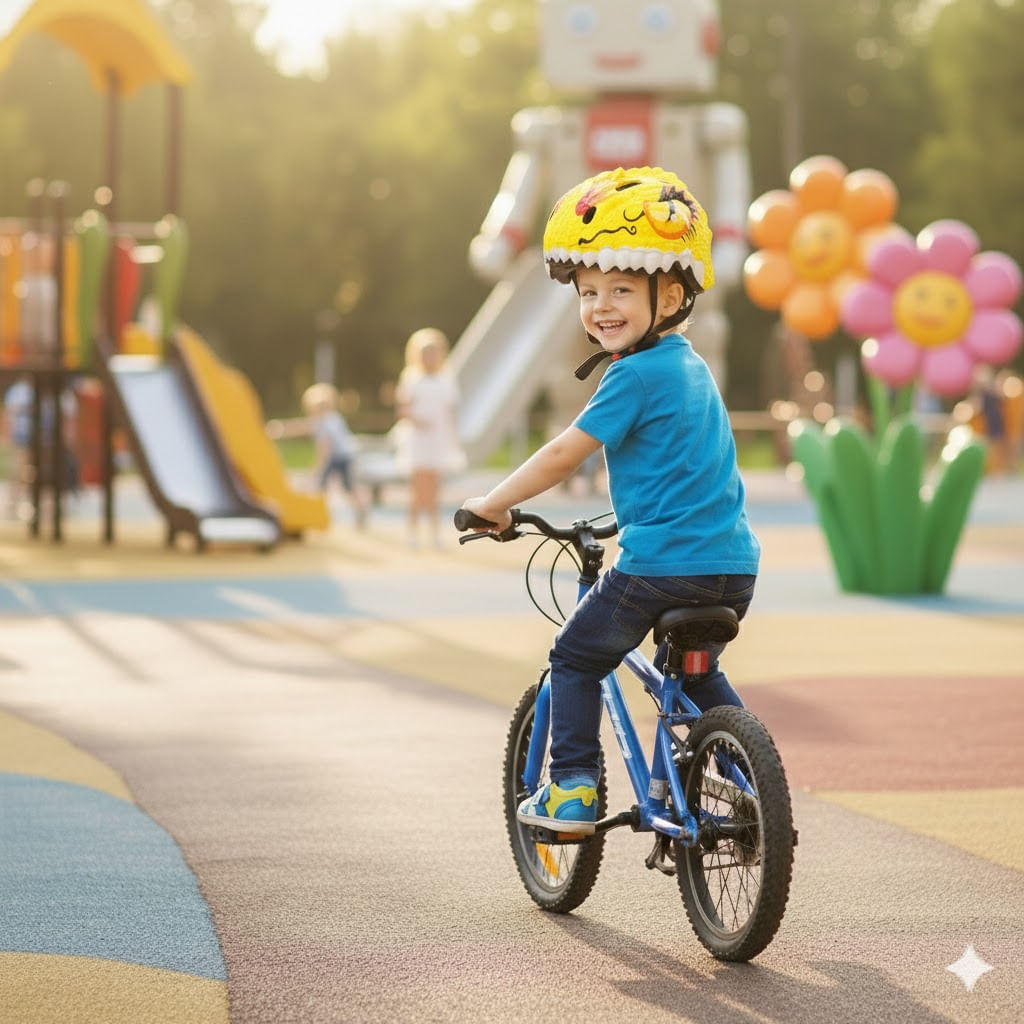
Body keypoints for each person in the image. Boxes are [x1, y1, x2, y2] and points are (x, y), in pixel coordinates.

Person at [459, 166, 760, 834]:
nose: (601, 306)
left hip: (660, 566)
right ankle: (753, 782)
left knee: (575, 657)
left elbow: (565, 453)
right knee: (696, 674)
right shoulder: (691, 367)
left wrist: (495, 503)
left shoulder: (634, 375)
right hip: (733, 565)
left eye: (622, 288)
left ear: (671, 295)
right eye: (588, 291)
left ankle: (572, 788)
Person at [395, 327, 464, 549]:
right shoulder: (411, 379)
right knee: (417, 491)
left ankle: (435, 534)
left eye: (433, 353)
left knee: (434, 491)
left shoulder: (447, 380)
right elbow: (403, 410)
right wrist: (419, 421)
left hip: (438, 441)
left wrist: (452, 438)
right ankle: (412, 534)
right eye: (426, 353)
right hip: (417, 441)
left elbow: (450, 412)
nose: (430, 358)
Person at [301, 382, 368, 527]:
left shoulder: (325, 422)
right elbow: (306, 426)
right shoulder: (333, 418)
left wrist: (318, 466)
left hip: (338, 456)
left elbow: (325, 447)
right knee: (347, 486)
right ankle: (360, 509)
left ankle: (319, 513)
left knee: (323, 485)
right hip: (345, 455)